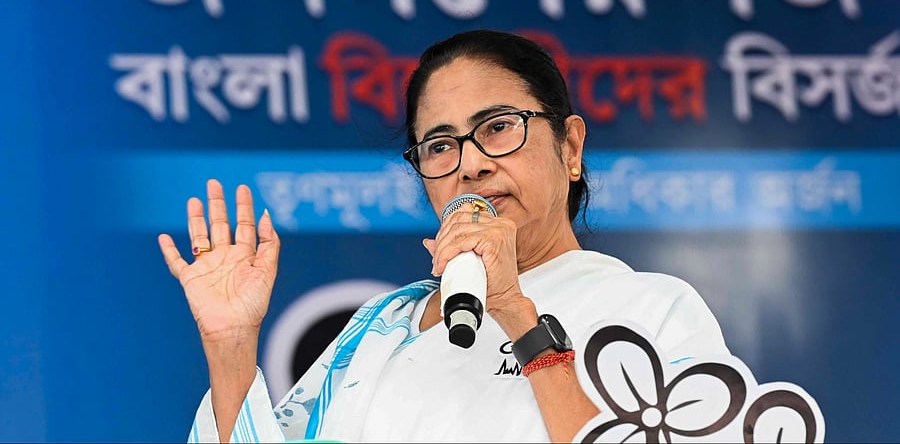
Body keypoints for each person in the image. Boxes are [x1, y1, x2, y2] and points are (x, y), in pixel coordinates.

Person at [158, 29, 729, 443]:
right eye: (440, 144)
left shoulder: (652, 309)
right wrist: (231, 348)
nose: (471, 164)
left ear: (570, 148)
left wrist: (516, 316)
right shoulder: (380, 331)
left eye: (499, 127)